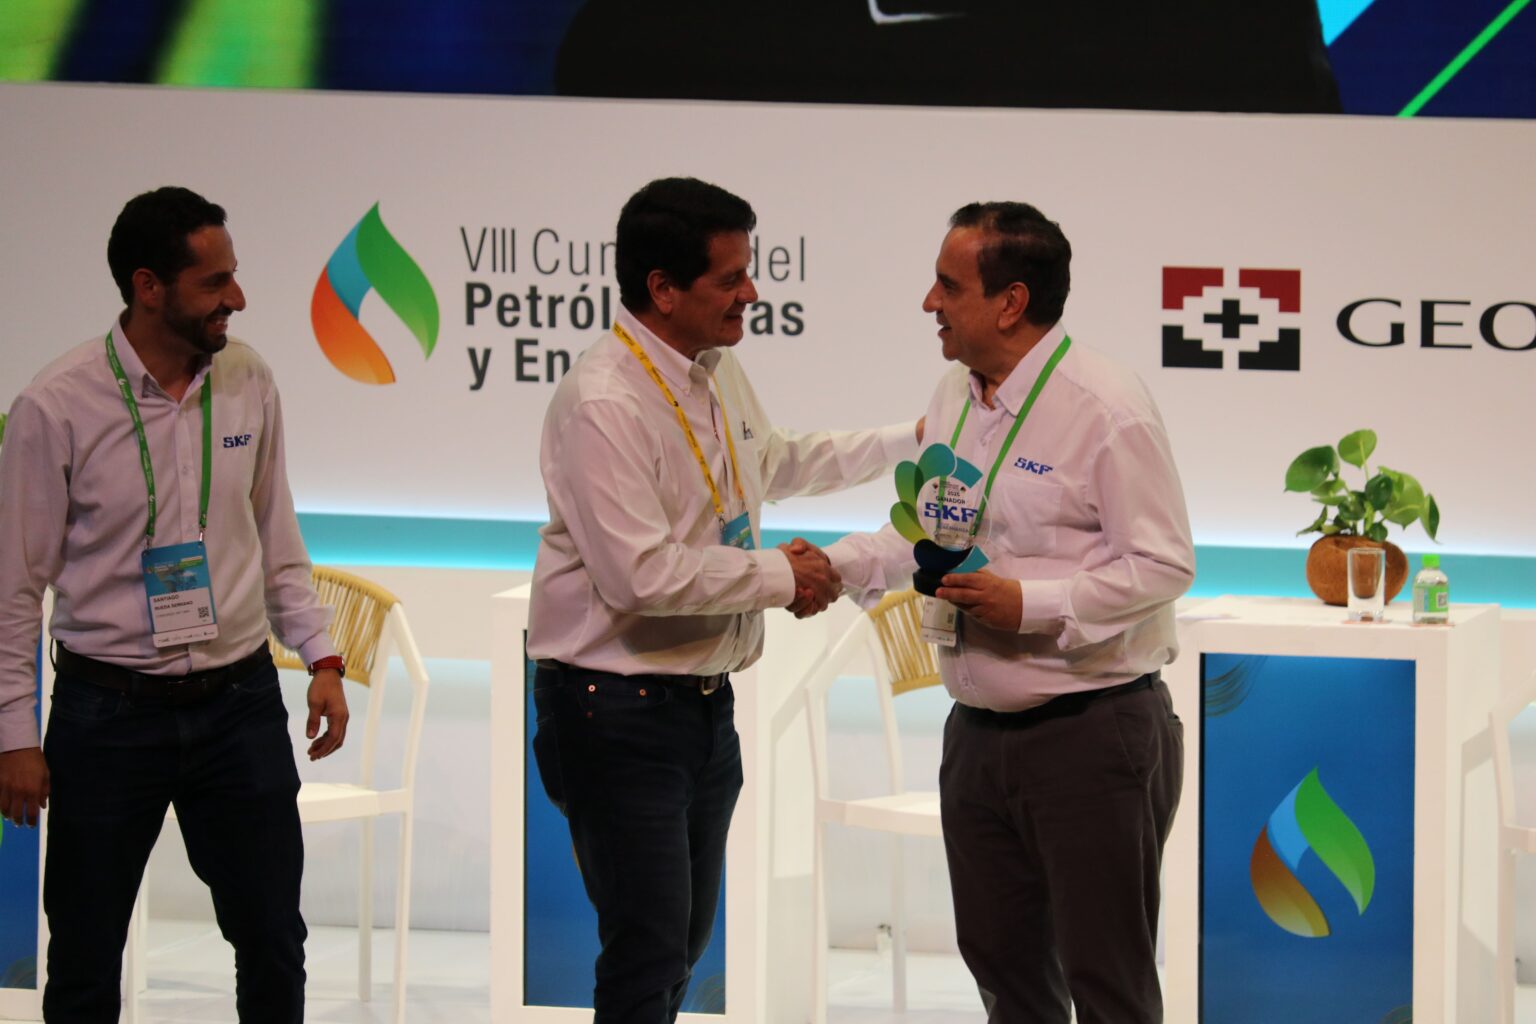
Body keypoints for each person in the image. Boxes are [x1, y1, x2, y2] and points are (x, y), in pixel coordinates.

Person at [527, 176, 917, 1023]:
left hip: (703, 706)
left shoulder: (716, 369)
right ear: (663, 289)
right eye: (731, 278)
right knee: (646, 951)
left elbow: (772, 462)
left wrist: (913, 440)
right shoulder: (603, 402)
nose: (752, 293)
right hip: (614, 708)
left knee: (680, 946)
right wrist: (786, 576)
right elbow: (641, 575)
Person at [826, 202, 1195, 1023]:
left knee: (1109, 986)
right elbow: (929, 529)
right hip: (976, 739)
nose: (929, 302)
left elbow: (1164, 563)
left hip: (1090, 734)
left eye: (948, 286)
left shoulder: (1108, 406)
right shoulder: (953, 395)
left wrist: (1028, 603)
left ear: (1011, 302)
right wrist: (833, 566)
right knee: (1004, 977)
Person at [0, 187, 349, 1023]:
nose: (238, 297)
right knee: (85, 955)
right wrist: (14, 733)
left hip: (239, 704)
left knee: (273, 939)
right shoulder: (56, 405)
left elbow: (276, 532)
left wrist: (321, 656)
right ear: (148, 287)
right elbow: (14, 587)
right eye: (214, 282)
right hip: (106, 713)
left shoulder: (249, 378)